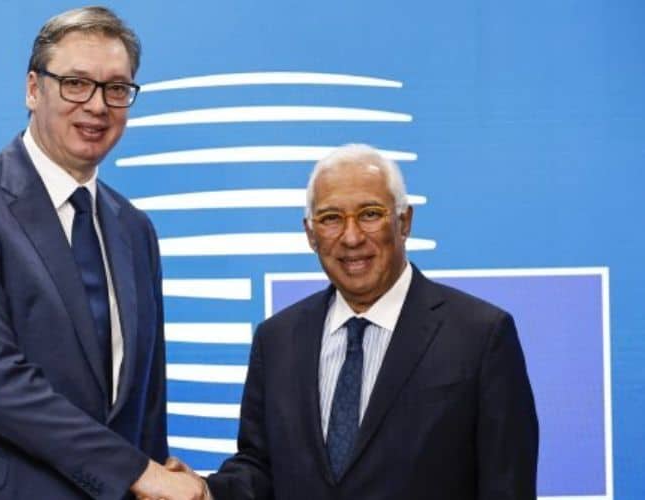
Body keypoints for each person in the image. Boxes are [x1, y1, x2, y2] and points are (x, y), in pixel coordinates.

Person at [0, 6, 205, 500]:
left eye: (116, 88)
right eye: (76, 84)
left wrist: (154, 477)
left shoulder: (135, 229)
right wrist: (138, 472)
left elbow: (145, 400)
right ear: (33, 89)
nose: (97, 106)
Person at [185, 144, 539, 499]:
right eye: (331, 218)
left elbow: (507, 486)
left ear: (404, 222)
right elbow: (260, 469)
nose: (352, 237)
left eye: (370, 214)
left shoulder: (480, 336)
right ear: (310, 233)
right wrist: (204, 492)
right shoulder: (277, 340)